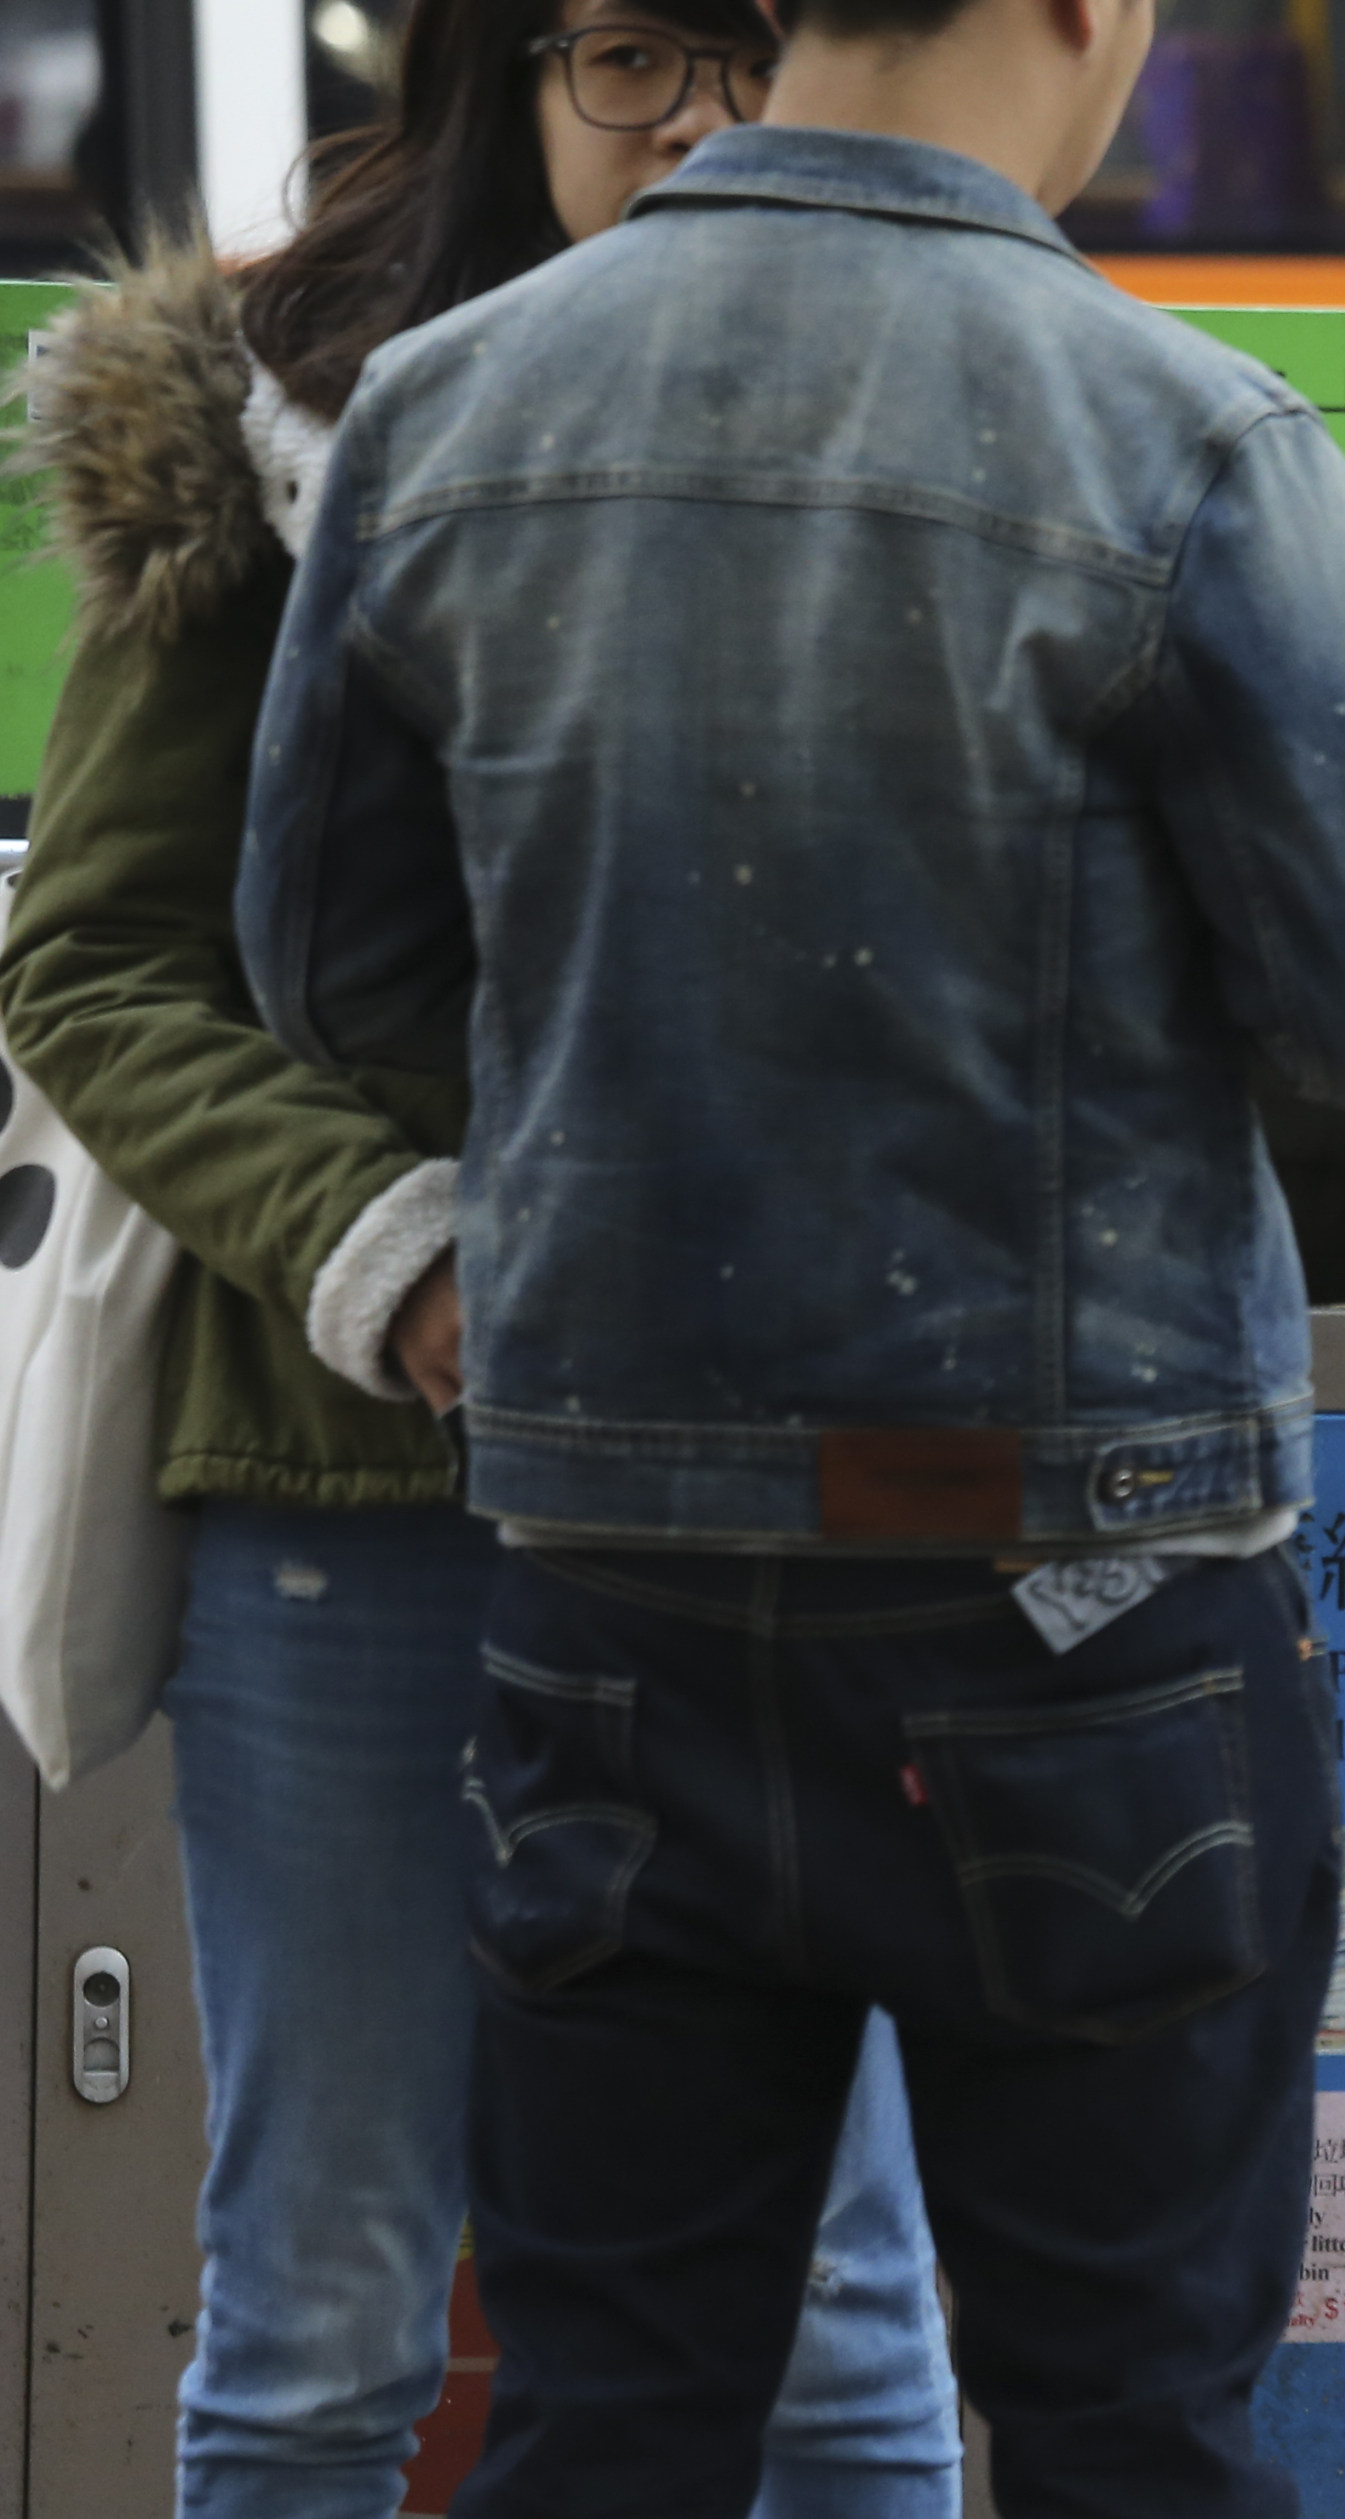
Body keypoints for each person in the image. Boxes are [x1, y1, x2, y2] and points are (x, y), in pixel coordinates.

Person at [230, 0, 1345, 2499]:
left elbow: (326, 973)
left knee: (605, 2425)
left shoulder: (450, 409)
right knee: (1129, 2430)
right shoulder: (1180, 434)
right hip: (1083, 1607)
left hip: (611, 1585)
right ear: (1078, 14)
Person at [0, 10, 970, 2516]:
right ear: (497, 78)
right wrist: (397, 1259)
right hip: (354, 1488)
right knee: (326, 2307)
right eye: (635, 57)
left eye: (766, 57)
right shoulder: (276, 418)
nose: (700, 133)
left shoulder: (936, 392)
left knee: (844, 2311)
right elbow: (96, 962)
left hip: (768, 1501)